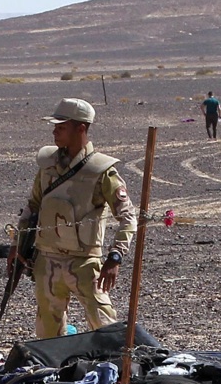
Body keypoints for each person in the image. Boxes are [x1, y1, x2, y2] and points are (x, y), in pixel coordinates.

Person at [12, 98, 137, 339]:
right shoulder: (47, 166)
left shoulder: (102, 171)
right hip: (46, 261)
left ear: (81, 128)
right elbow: (31, 207)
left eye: (61, 127)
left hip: (85, 263)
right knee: (47, 335)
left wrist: (115, 256)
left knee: (106, 329)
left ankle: (115, 371)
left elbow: (128, 217)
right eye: (55, 126)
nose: (54, 131)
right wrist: (17, 246)